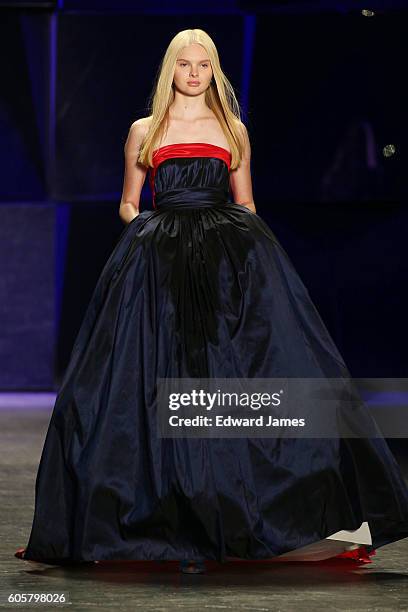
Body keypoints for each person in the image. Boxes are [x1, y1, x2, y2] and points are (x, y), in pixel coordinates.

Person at [15, 28, 408, 575]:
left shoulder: (233, 130)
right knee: (140, 385)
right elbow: (128, 205)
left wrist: (247, 267)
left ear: (215, 70)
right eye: (184, 63)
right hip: (156, 266)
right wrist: (154, 235)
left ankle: (235, 515)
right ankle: (158, 520)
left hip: (225, 262)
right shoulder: (144, 130)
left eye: (204, 64)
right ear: (170, 70)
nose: (194, 73)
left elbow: (246, 204)